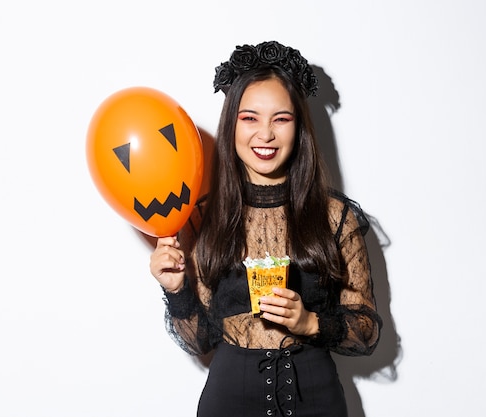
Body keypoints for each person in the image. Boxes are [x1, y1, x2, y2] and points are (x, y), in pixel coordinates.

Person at [150, 40, 382, 417]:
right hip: (229, 400)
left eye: (281, 118)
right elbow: (201, 341)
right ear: (232, 124)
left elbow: (366, 331)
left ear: (299, 126)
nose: (266, 134)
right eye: (250, 118)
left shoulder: (335, 216)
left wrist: (310, 322)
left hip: (317, 399)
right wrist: (176, 292)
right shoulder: (204, 217)